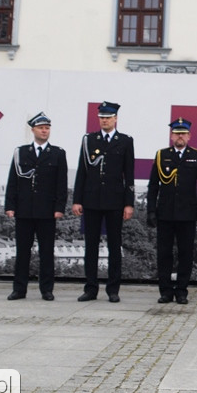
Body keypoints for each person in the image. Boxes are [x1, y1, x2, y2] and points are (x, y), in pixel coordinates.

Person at [72, 101, 135, 303]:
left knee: (114, 246)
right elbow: (82, 171)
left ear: (115, 118)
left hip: (115, 201)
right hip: (91, 200)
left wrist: (129, 203)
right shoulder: (89, 140)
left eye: (108, 117)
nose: (105, 121)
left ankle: (113, 289)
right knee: (91, 246)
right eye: (102, 118)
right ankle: (91, 288)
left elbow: (129, 174)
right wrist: (77, 200)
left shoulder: (125, 141)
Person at [4, 112, 68, 301]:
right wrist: (10, 205)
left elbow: (61, 183)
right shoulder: (21, 152)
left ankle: (46, 289)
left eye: (47, 128)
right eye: (41, 128)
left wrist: (59, 207)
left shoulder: (57, 153)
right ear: (33, 130)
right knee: (22, 252)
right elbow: (13, 181)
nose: (44, 131)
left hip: (47, 211)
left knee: (46, 252)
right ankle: (19, 289)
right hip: (24, 209)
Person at [146, 118, 197, 305]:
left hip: (187, 214)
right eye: (176, 133)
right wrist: (151, 211)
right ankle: (165, 291)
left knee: (186, 253)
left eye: (183, 133)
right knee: (164, 254)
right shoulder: (162, 155)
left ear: (189, 136)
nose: (180, 136)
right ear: (171, 136)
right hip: (165, 213)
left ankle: (182, 291)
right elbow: (153, 186)